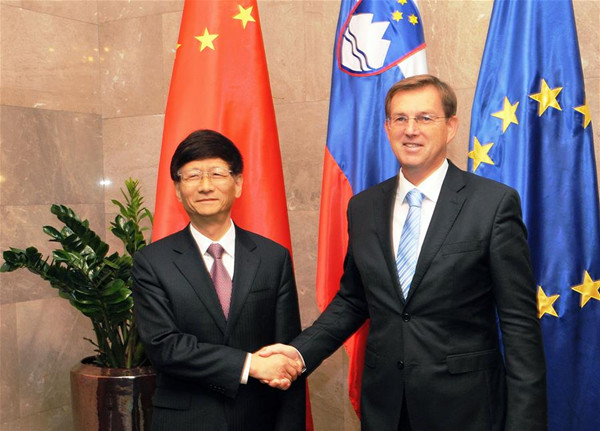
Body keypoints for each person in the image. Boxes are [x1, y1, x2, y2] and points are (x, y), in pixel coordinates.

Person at [261, 75, 548, 430]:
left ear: (451, 127)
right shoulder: (363, 207)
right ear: (387, 127)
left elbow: (519, 324)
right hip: (386, 408)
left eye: (425, 118)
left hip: (466, 409)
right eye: (400, 118)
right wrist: (300, 353)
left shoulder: (492, 204)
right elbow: (354, 300)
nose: (411, 129)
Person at [132, 129, 305, 431]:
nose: (205, 186)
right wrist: (250, 365)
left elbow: (285, 354)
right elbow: (164, 347)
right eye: (193, 176)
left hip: (257, 419)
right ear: (177, 189)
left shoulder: (272, 257)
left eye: (216, 173)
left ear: (237, 183)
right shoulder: (151, 262)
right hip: (184, 421)